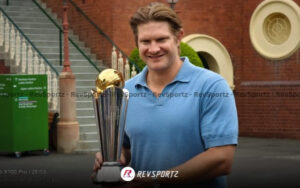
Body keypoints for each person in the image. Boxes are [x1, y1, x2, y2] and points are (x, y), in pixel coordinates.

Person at [93, 2, 238, 187]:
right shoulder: (126, 92)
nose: (153, 49)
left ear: (178, 38)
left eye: (161, 39)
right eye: (145, 41)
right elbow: (126, 148)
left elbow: (222, 159)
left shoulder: (212, 87)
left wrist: (155, 180)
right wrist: (111, 158)